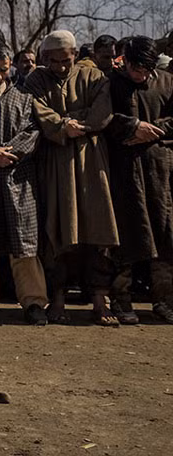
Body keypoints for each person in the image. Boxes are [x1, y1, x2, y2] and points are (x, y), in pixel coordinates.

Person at [25, 30, 119, 326]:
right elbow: (38, 111)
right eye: (55, 62)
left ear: (75, 55)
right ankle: (58, 298)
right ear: (44, 59)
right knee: (58, 229)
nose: (62, 67)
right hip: (55, 161)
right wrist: (62, 125)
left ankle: (99, 300)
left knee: (98, 228)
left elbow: (102, 113)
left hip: (91, 161)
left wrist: (74, 120)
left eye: (66, 61)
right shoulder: (35, 80)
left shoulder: (95, 78)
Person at [0, 43, 48, 326]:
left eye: (4, 70)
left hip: (19, 181)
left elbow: (33, 131)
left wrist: (10, 154)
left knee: (25, 245)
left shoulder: (24, 96)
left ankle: (34, 302)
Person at [104, 36, 173, 325]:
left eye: (146, 70)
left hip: (161, 172)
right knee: (127, 236)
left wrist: (152, 129)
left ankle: (164, 300)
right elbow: (102, 119)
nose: (140, 75)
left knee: (165, 235)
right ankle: (121, 299)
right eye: (135, 69)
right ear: (125, 61)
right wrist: (131, 126)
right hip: (124, 173)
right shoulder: (110, 83)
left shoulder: (168, 83)